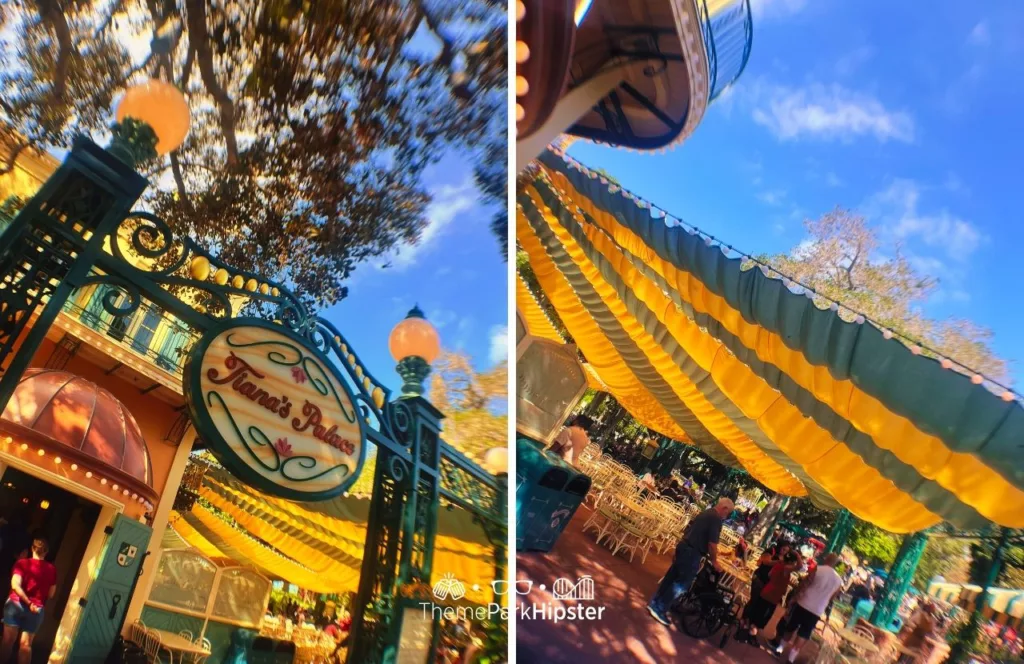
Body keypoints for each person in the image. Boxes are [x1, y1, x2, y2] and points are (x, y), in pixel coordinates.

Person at [647, 497, 734, 625]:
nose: (726, 516)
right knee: (682, 584)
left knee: (671, 577)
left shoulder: (706, 512)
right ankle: (660, 608)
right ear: (725, 508)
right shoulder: (716, 519)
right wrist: (715, 561)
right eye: (728, 513)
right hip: (693, 552)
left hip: (684, 545)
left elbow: (689, 528)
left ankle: (655, 602)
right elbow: (712, 544)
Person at [777, 553, 845, 663]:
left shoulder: (818, 569)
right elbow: (832, 597)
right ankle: (791, 658)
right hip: (817, 610)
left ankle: (780, 649)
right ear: (835, 564)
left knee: (791, 626)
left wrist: (794, 598)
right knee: (804, 633)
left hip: (803, 603)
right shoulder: (838, 580)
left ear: (826, 558)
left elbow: (805, 584)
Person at [2, 537, 57, 664]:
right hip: (35, 610)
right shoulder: (52, 569)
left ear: (32, 549)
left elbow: (15, 585)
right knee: (26, 646)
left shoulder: (22, 563)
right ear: (46, 552)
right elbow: (51, 594)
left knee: (7, 642)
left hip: (15, 605)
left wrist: (27, 601)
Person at [744, 550, 802, 638]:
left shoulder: (778, 564)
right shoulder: (786, 568)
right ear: (791, 562)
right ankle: (750, 636)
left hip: (766, 592)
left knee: (756, 615)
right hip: (772, 596)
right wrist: (798, 555)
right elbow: (799, 566)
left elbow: (769, 575)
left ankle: (746, 632)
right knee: (761, 619)